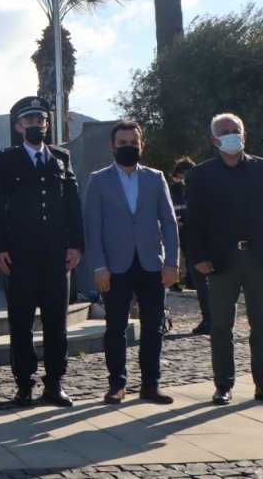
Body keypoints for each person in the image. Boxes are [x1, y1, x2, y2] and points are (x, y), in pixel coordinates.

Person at [185, 112, 263, 407]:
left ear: (244, 135)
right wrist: (198, 258)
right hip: (221, 262)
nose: (231, 134)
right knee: (221, 327)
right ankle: (223, 386)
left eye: (236, 130)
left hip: (260, 258)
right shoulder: (202, 174)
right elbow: (193, 221)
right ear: (214, 139)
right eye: (225, 131)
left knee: (262, 326)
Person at [0, 96, 83, 408]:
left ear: (47, 123)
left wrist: (76, 245)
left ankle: (54, 383)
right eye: (29, 122)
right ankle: (24, 383)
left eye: (40, 121)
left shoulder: (60, 157)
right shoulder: (7, 160)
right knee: (21, 323)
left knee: (57, 322)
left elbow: (72, 203)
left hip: (55, 255)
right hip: (20, 255)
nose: (36, 126)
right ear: (19, 126)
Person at [83, 121, 180, 405]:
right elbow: (93, 227)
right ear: (112, 147)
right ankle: (117, 384)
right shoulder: (98, 180)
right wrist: (99, 267)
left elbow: (170, 223)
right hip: (115, 267)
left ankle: (151, 384)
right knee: (115, 327)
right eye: (122, 143)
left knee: (153, 326)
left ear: (141, 145)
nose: (128, 147)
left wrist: (172, 262)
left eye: (133, 143)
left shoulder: (155, 177)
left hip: (152, 264)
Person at [169, 156, 210, 334]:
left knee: (204, 282)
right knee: (202, 282)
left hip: (199, 239)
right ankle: (210, 318)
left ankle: (210, 319)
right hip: (188, 238)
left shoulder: (200, 186)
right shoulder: (180, 189)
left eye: (180, 175)